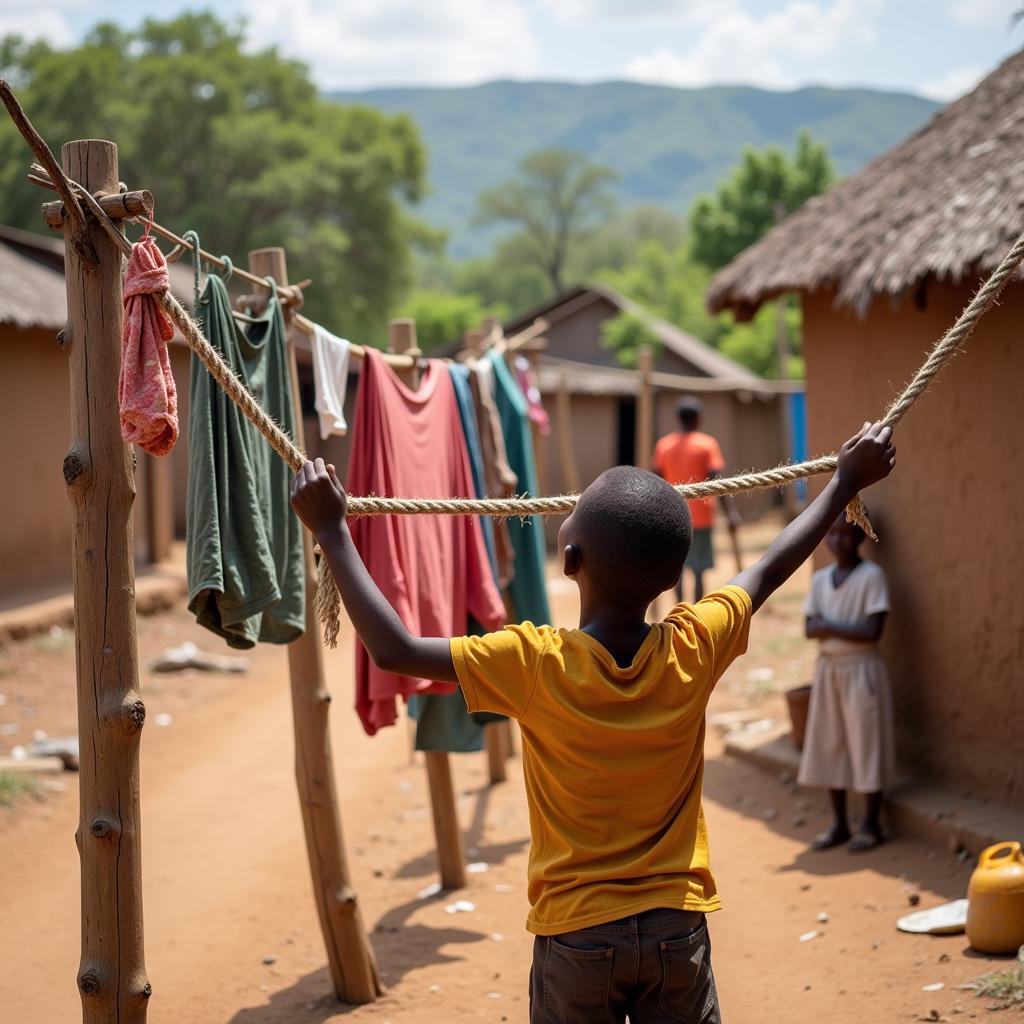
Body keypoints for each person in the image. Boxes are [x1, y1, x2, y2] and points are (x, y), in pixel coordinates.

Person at [291, 421, 896, 1024]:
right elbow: (766, 571)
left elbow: (395, 649)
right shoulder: (694, 645)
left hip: (577, 936)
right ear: (672, 578)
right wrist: (842, 482)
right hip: (676, 928)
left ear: (569, 558)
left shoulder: (535, 663)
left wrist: (332, 533)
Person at [798, 513, 895, 853]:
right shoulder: (821, 580)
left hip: (862, 670)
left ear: (861, 538)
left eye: (845, 534)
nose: (837, 541)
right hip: (829, 670)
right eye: (832, 534)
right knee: (830, 742)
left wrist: (828, 625)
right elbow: (809, 628)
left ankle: (871, 823)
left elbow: (872, 631)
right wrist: (830, 627)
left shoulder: (872, 577)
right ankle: (839, 823)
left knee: (867, 742)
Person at [652, 397, 740, 602]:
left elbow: (656, 480)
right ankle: (695, 611)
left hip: (672, 516)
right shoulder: (707, 444)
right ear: (698, 418)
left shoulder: (664, 446)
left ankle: (679, 608)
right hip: (700, 516)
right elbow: (717, 482)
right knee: (699, 571)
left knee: (677, 570)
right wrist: (731, 513)